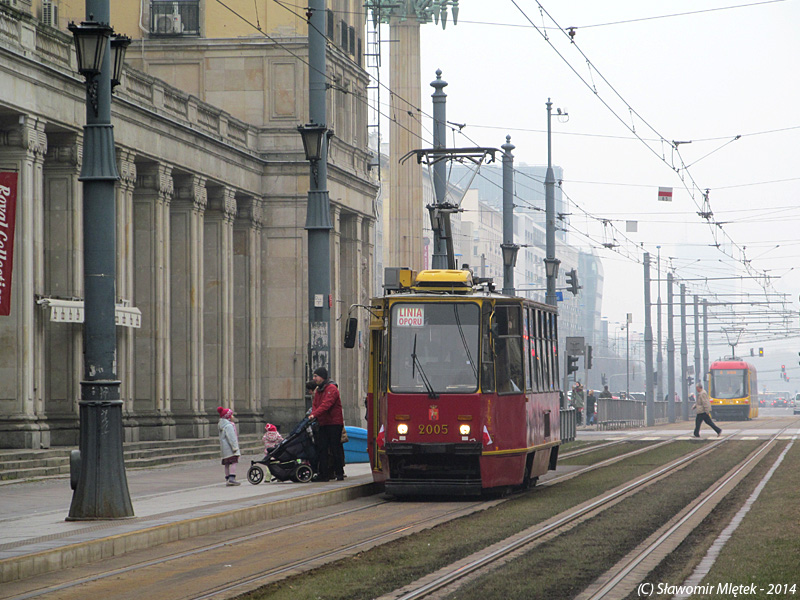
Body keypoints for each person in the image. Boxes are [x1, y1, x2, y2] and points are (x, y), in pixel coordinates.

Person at [309, 367, 345, 481]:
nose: (314, 378)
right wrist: (314, 413)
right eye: (314, 376)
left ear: (322, 377)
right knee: (322, 448)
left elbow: (326, 404)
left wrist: (314, 414)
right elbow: (315, 404)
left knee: (335, 448)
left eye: (316, 376)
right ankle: (324, 474)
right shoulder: (318, 390)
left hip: (334, 423)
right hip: (323, 423)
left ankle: (339, 472)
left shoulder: (331, 389)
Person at [217, 406, 241, 486]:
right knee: (234, 462)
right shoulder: (229, 426)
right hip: (230, 448)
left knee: (227, 464)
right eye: (232, 415)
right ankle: (232, 477)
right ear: (228, 417)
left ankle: (227, 478)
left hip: (224, 449)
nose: (233, 416)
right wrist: (235, 448)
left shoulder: (222, 425)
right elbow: (232, 438)